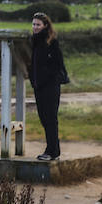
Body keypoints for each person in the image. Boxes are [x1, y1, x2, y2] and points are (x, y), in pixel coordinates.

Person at [28, 12, 66, 161]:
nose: (35, 27)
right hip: (38, 86)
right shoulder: (33, 42)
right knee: (44, 119)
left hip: (50, 86)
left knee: (50, 119)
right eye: (33, 24)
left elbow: (58, 65)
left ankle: (52, 151)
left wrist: (48, 78)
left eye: (38, 24)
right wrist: (34, 80)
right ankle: (53, 150)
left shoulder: (52, 42)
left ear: (45, 26)